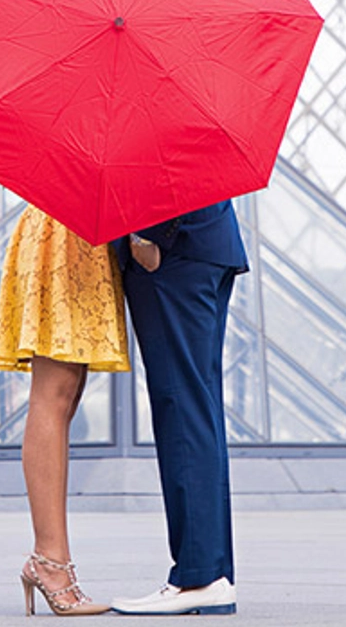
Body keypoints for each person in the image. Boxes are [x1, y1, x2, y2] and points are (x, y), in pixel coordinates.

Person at [0, 202, 129, 617]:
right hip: (63, 237)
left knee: (63, 397)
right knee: (53, 396)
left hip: (76, 237)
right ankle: (49, 562)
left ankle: (51, 560)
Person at [111, 201, 248, 617]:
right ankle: (212, 572)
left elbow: (158, 152)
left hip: (171, 253)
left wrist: (145, 234)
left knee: (182, 410)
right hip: (204, 242)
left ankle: (198, 576)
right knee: (197, 408)